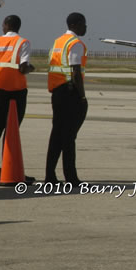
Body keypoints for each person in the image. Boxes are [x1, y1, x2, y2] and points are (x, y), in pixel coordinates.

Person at [0, 14, 35, 182]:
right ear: (18, 26)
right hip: (17, 91)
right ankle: (10, 168)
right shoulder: (22, 42)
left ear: (5, 25)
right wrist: (31, 69)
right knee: (11, 132)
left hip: (1, 91)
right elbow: (23, 67)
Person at [45, 12, 88, 186]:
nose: (86, 27)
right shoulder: (75, 44)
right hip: (70, 93)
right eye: (84, 24)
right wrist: (82, 96)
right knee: (69, 137)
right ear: (76, 25)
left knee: (56, 135)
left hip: (57, 92)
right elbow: (76, 71)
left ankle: (50, 175)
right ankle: (71, 177)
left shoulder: (58, 42)